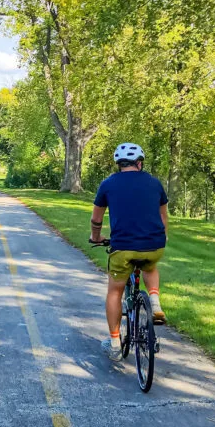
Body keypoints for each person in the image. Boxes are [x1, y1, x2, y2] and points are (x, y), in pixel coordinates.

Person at [89, 143, 168, 362]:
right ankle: (155, 302)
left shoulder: (108, 184)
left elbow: (96, 219)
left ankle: (115, 344)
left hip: (122, 247)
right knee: (150, 266)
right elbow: (163, 218)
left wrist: (96, 237)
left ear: (119, 164)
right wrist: (162, 237)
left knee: (115, 292)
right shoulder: (155, 183)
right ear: (140, 163)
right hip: (154, 245)